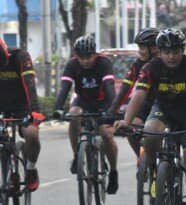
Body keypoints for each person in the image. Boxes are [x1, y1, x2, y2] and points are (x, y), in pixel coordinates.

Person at [114, 28, 186, 205]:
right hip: (163, 110)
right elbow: (139, 95)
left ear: (183, 50)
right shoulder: (150, 67)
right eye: (166, 52)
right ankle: (157, 174)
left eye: (176, 51)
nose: (171, 57)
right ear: (160, 51)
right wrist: (126, 121)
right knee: (150, 132)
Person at [53, 35, 119, 194]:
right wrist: (57, 108)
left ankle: (114, 172)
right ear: (76, 56)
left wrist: (114, 111)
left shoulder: (104, 63)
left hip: (103, 100)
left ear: (94, 54)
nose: (85, 61)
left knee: (106, 134)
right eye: (81, 57)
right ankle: (77, 155)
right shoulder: (72, 64)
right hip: (82, 99)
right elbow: (65, 88)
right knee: (73, 115)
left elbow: (109, 87)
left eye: (88, 56)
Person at [108, 27, 160, 160]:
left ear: (154, 48)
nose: (139, 52)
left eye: (142, 48)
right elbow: (125, 89)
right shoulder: (138, 64)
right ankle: (143, 160)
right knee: (131, 128)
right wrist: (112, 111)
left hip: (166, 105)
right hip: (146, 104)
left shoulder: (167, 63)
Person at [0, 38, 44, 192]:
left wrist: (35, 111)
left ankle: (31, 169)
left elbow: (29, 83)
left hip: (22, 104)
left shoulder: (21, 56)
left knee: (31, 134)